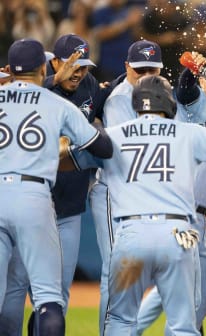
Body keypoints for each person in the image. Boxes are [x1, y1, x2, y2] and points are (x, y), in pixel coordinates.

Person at [62, 74, 206, 335]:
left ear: (137, 103)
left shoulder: (113, 136)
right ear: (168, 102)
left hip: (131, 237)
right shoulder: (189, 133)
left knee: (121, 321)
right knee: (182, 324)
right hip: (177, 236)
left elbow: (66, 161)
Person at [0, 38, 112, 336]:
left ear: (10, 69)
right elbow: (103, 147)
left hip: (14, 196)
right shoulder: (54, 102)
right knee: (49, 299)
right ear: (45, 66)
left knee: (9, 295)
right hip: (35, 198)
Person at [88, 38, 163, 335]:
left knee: (137, 274)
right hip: (113, 191)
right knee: (115, 272)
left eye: (151, 70)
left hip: (142, 197)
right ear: (126, 67)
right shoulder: (120, 98)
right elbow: (130, 151)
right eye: (139, 70)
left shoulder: (164, 96)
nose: (145, 77)